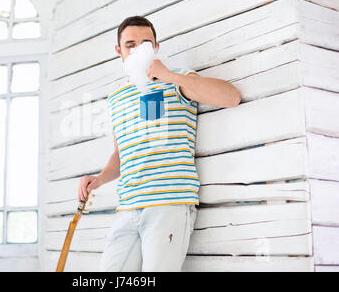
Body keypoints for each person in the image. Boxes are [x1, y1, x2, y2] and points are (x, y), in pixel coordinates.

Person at [78, 16, 241, 272]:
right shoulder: (116, 98)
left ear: (155, 47)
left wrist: (168, 75)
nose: (138, 49)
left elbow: (231, 97)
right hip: (128, 206)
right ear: (119, 50)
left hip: (169, 202)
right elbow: (121, 154)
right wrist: (98, 179)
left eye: (145, 43)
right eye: (130, 44)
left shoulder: (177, 81)